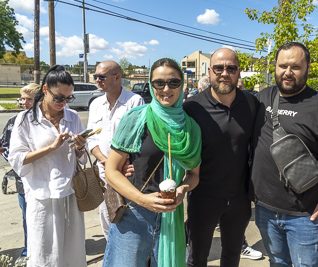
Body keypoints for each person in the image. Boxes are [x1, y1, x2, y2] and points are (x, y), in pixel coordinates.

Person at [250, 42, 318, 266]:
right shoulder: (261, 98)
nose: (287, 72)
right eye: (282, 65)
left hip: (306, 215)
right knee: (277, 263)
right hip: (265, 208)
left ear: (307, 68)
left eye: (295, 67)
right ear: (274, 66)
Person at [102, 58, 201, 266]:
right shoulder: (136, 119)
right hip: (134, 215)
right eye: (159, 83)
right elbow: (111, 171)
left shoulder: (190, 128)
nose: (166, 89)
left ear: (182, 85)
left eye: (173, 83)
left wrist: (182, 190)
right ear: (151, 84)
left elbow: (193, 175)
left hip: (171, 216)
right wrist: (143, 199)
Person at [183, 48, 258, 266]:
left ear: (238, 72)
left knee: (232, 257)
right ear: (209, 71)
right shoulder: (192, 108)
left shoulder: (251, 103)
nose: (224, 73)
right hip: (202, 199)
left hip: (239, 200)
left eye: (231, 68)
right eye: (218, 68)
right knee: (196, 259)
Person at [8, 65, 88, 267]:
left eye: (69, 98)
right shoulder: (25, 120)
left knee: (73, 250)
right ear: (45, 90)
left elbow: (81, 159)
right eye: (59, 97)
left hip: (71, 191)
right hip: (41, 193)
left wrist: (80, 147)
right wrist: (52, 147)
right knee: (44, 251)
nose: (64, 103)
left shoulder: (73, 117)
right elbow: (17, 158)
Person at [86, 60, 144, 240]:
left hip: (126, 172)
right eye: (95, 76)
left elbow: (138, 139)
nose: (97, 80)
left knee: (128, 217)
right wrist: (105, 161)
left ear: (117, 77)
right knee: (106, 217)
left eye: (101, 77)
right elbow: (92, 139)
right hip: (103, 172)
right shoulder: (95, 104)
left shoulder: (134, 101)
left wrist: (120, 165)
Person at [0, 83, 40, 266]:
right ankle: (28, 251)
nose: (24, 102)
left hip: (45, 179)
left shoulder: (46, 120)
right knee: (27, 217)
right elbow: (4, 147)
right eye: (22, 99)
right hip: (22, 179)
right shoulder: (14, 121)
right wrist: (20, 161)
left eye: (29, 99)